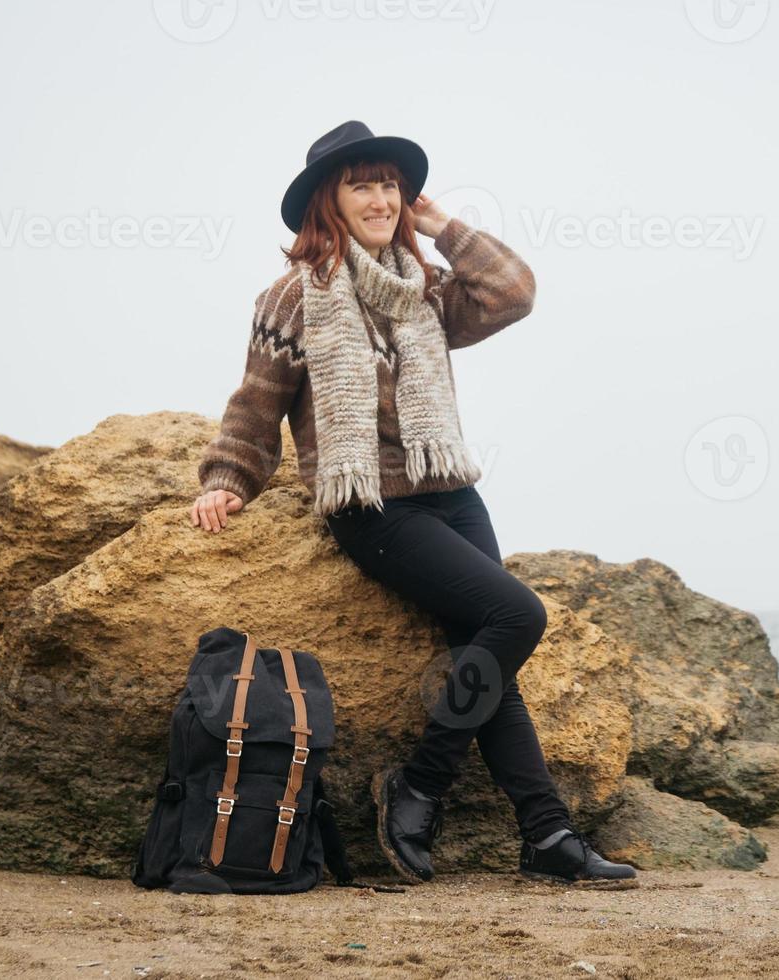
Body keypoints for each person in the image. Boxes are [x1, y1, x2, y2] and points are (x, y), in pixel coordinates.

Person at [188, 121, 636, 889]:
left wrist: (443, 226)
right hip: (371, 507)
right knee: (517, 617)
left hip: (454, 494)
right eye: (363, 182)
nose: (382, 197)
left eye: (391, 183)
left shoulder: (424, 290)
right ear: (328, 199)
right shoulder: (293, 298)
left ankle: (547, 834)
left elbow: (513, 292)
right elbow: (256, 407)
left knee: (490, 663)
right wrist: (227, 478)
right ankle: (422, 784)